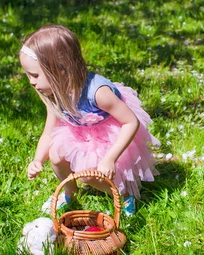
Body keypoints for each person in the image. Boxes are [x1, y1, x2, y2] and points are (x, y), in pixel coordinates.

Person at [19, 24, 159, 216]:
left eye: (35, 75)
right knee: (55, 155)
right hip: (80, 130)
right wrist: (37, 159)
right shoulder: (55, 93)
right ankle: (70, 192)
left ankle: (124, 194)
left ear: (60, 70)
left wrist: (110, 159)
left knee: (90, 175)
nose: (31, 81)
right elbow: (49, 131)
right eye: (28, 74)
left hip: (110, 132)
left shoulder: (98, 93)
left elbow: (131, 122)